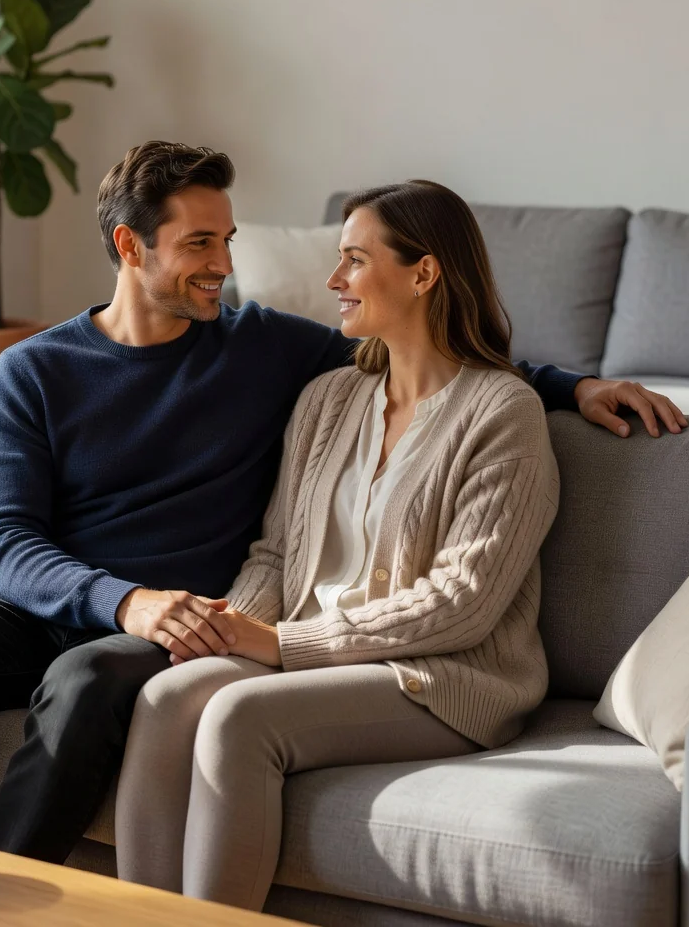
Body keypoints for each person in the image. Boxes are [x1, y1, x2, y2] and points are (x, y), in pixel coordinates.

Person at [0, 143, 687, 866]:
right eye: (199, 242)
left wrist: (574, 384)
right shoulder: (37, 369)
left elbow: (430, 361)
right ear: (128, 245)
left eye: (229, 239)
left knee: (86, 678)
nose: (223, 262)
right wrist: (123, 601)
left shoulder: (268, 346)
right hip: (79, 605)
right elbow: (4, 542)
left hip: (200, 618)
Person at [114, 180, 563, 908]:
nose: (333, 281)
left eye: (354, 260)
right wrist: (232, 632)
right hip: (314, 645)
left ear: (423, 274)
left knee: (239, 715)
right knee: (167, 696)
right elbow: (277, 554)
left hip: (442, 676)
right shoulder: (328, 399)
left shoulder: (503, 412)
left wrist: (283, 646)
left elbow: (462, 604)